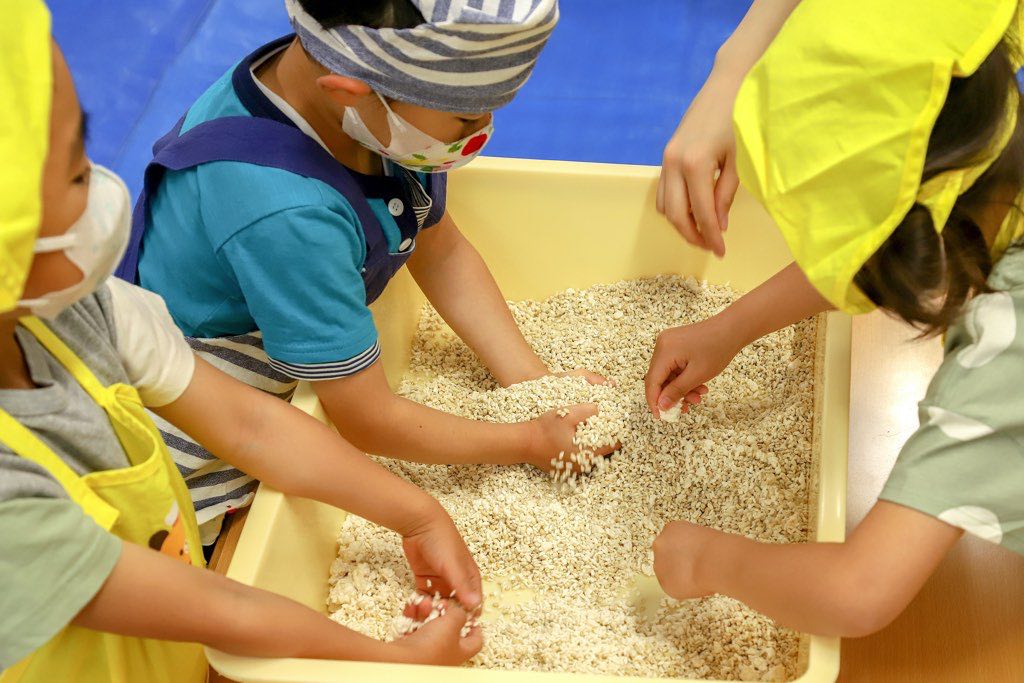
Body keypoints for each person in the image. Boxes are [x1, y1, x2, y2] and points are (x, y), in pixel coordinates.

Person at [0, 5, 483, 680]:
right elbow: (221, 608)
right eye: (78, 174)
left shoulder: (86, 311)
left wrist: (418, 512)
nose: (104, 186)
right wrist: (384, 658)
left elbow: (254, 424)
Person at [115, 0, 614, 547]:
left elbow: (439, 248)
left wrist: (532, 383)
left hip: (287, 294)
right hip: (204, 368)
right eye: (467, 118)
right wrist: (524, 440)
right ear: (350, 88)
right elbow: (365, 418)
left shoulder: (363, 113)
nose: (482, 131)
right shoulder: (285, 210)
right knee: (216, 522)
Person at [648, 0, 1024, 637]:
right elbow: (908, 239)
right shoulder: (988, 172)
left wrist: (708, 560)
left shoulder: (1002, 355)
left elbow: (859, 592)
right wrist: (728, 328)